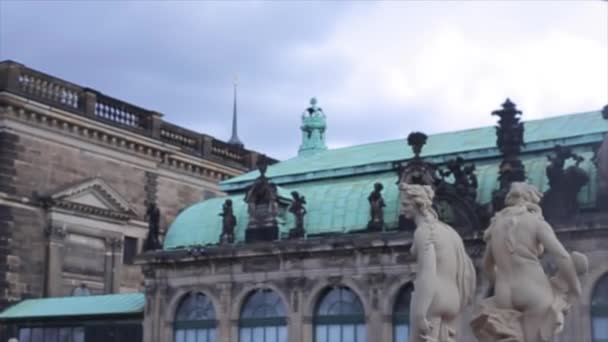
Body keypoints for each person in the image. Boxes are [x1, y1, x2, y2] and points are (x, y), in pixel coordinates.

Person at [472, 182, 586, 342]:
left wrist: (499, 282)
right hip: (533, 290)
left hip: (504, 294)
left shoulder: (495, 227)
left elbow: (487, 266)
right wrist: (575, 288)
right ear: (531, 199)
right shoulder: (536, 223)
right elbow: (562, 256)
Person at [400, 183, 476, 342]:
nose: (402, 209)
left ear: (417, 204)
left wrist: (421, 311)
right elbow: (467, 271)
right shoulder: (449, 231)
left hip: (432, 299)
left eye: (405, 204)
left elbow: (428, 272)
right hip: (453, 300)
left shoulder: (423, 232)